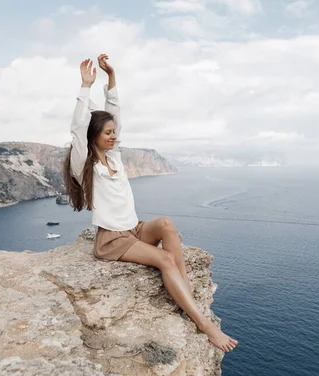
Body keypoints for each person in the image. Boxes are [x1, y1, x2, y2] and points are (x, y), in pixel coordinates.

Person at [62, 55, 238, 352]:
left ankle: (187, 298)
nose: (114, 135)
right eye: (107, 133)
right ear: (94, 137)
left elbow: (115, 114)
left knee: (167, 224)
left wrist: (112, 79)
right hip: (112, 240)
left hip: (133, 229)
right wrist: (85, 86)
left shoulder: (114, 157)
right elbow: (78, 128)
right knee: (165, 259)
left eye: (113, 132)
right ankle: (204, 325)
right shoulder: (86, 164)